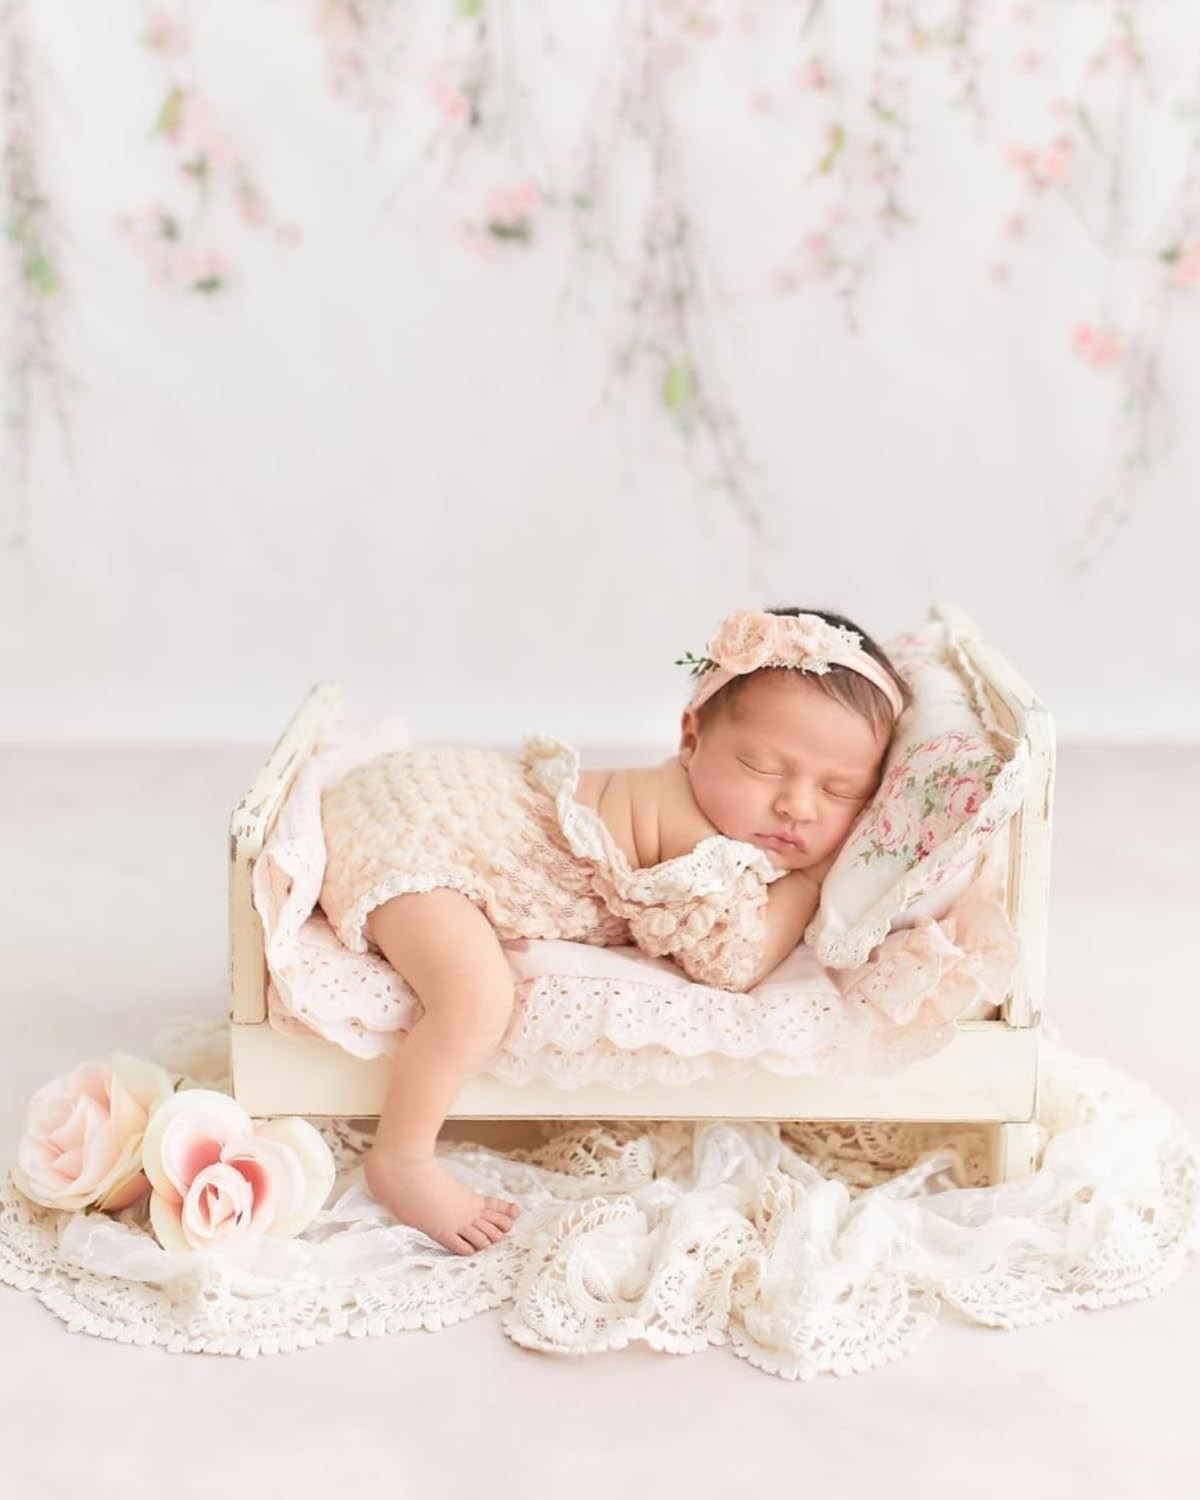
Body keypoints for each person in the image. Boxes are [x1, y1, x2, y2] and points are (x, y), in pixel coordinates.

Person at [316, 606, 912, 1255]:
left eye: (840, 792)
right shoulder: (696, 840)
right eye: (764, 768)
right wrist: (811, 879)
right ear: (690, 737)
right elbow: (733, 961)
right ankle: (402, 1160)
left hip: (434, 786)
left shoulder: (696, 799)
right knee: (476, 998)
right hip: (421, 840)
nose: (797, 805)